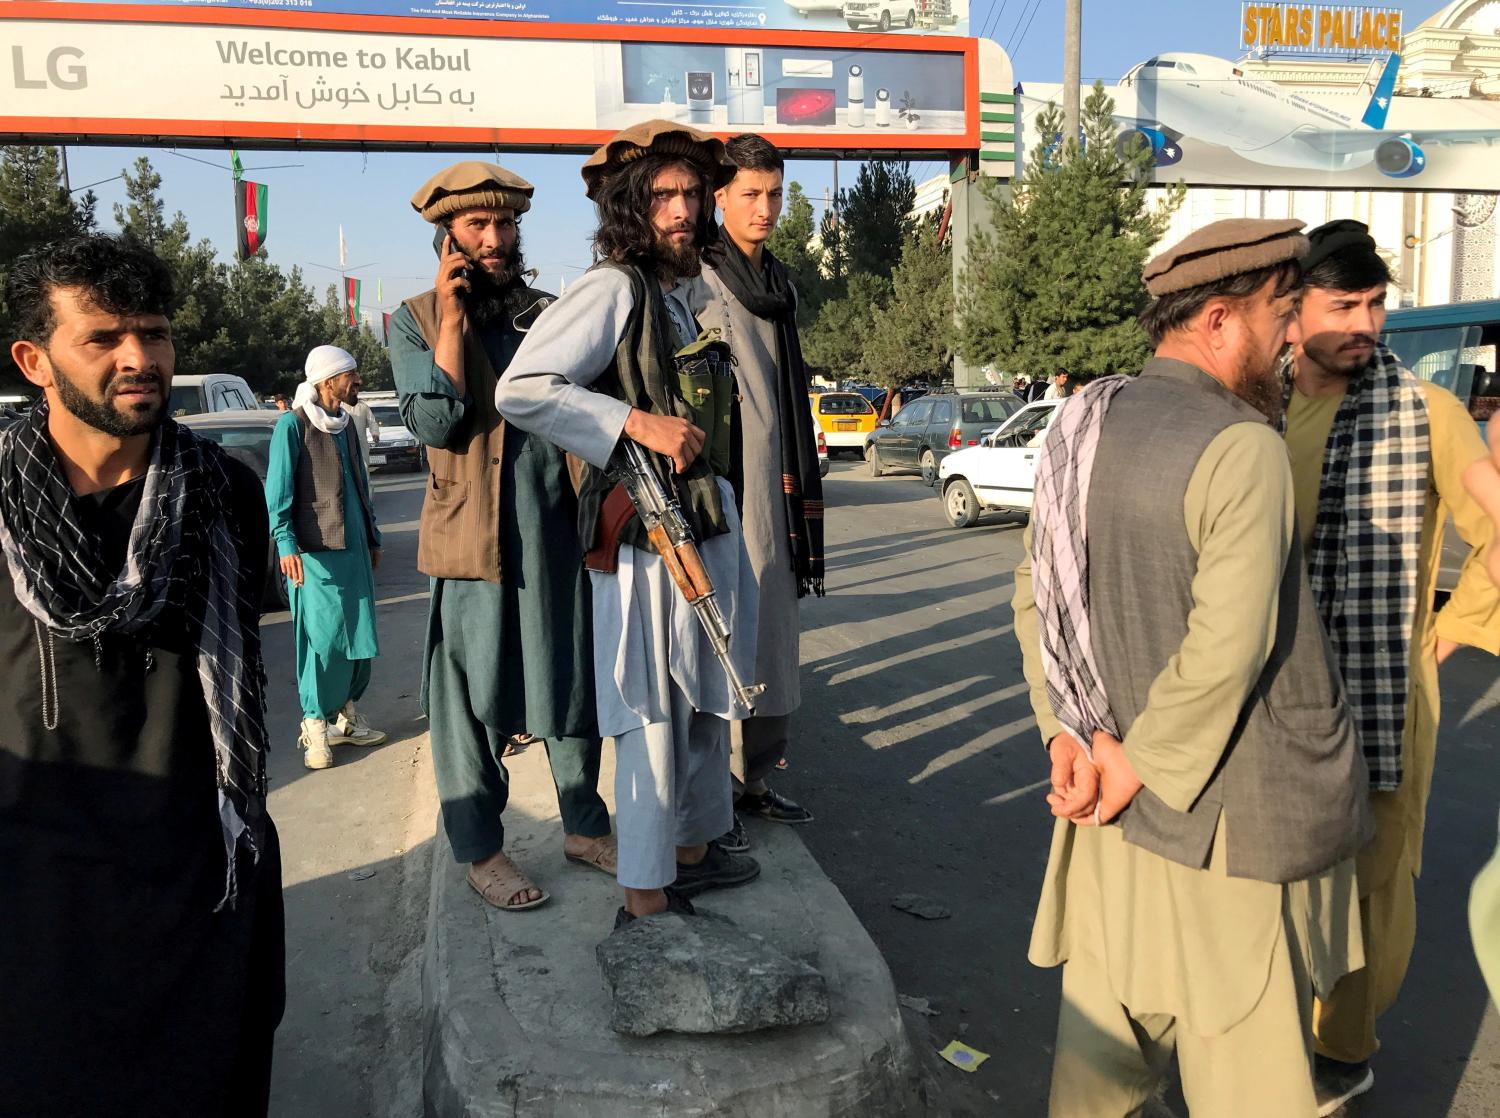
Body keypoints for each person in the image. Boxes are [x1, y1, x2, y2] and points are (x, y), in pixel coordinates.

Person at [1014, 218, 1371, 1116]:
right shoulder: (1244, 445)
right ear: (1218, 320)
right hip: (1228, 837)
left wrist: (1069, 735)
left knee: (1100, 1081)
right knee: (1252, 1088)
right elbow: (1228, 645)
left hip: (1108, 820)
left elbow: (1036, 594)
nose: (1294, 335)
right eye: (1281, 313)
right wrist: (1137, 763)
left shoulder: (1083, 425)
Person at [0, 234, 284, 1114]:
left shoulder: (224, 492)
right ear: (33, 360)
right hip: (35, 900)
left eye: (154, 334)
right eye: (103, 338)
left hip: (201, 878)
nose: (139, 359)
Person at [498, 120, 762, 929]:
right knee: (650, 712)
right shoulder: (614, 286)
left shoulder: (679, 293)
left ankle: (686, 852)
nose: (682, 209)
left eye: (690, 193)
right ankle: (644, 896)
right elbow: (525, 388)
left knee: (704, 699)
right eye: (663, 196)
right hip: (647, 539)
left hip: (702, 522)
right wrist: (636, 424)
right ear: (630, 208)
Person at [1281, 220, 1499, 1112]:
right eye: (1345, 305)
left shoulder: (1426, 412)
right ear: (1291, 312)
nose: (1367, 323)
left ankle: (1343, 1047)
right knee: (1271, 873)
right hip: (1267, 691)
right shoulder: (1251, 404)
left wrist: (1457, 624)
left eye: (1377, 304)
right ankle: (1263, 1029)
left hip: (1380, 695)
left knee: (1372, 885)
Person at [391, 161, 614, 911]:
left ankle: (585, 827)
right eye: (477, 226)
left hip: (555, 529)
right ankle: (482, 850)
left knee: (570, 679)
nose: (494, 239)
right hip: (469, 539)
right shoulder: (414, 319)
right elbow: (435, 423)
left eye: (505, 225)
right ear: (445, 237)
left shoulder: (548, 314)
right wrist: (454, 325)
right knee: (473, 693)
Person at [692, 133, 820, 848]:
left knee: (772, 632)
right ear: (720, 199)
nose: (765, 208)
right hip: (725, 487)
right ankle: (715, 794)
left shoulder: (778, 285)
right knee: (721, 637)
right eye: (751, 194)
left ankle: (757, 781)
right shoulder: (699, 283)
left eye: (774, 194)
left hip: (778, 487)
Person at [266, 344, 386, 770]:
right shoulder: (292, 426)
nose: (358, 382)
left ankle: (345, 717)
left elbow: (360, 487)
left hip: (353, 549)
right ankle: (314, 723)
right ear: (327, 380)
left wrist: (371, 537)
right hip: (314, 554)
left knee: (357, 634)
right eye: (351, 374)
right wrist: (285, 543)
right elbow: (277, 492)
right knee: (321, 640)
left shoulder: (346, 424)